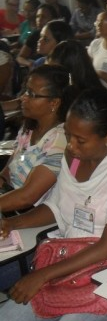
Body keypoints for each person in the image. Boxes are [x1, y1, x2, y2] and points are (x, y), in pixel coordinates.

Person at [0, 87, 107, 321]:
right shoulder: (72, 158)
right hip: (69, 263)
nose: (71, 146)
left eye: (80, 140)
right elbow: (57, 209)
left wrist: (42, 275)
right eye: (69, 135)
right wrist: (13, 223)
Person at [0, 65, 76, 213]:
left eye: (31, 94)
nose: (23, 97)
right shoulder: (30, 127)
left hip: (29, 214)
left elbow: (27, 197)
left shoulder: (60, 140)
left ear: (54, 103)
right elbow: (8, 171)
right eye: (25, 91)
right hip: (9, 199)